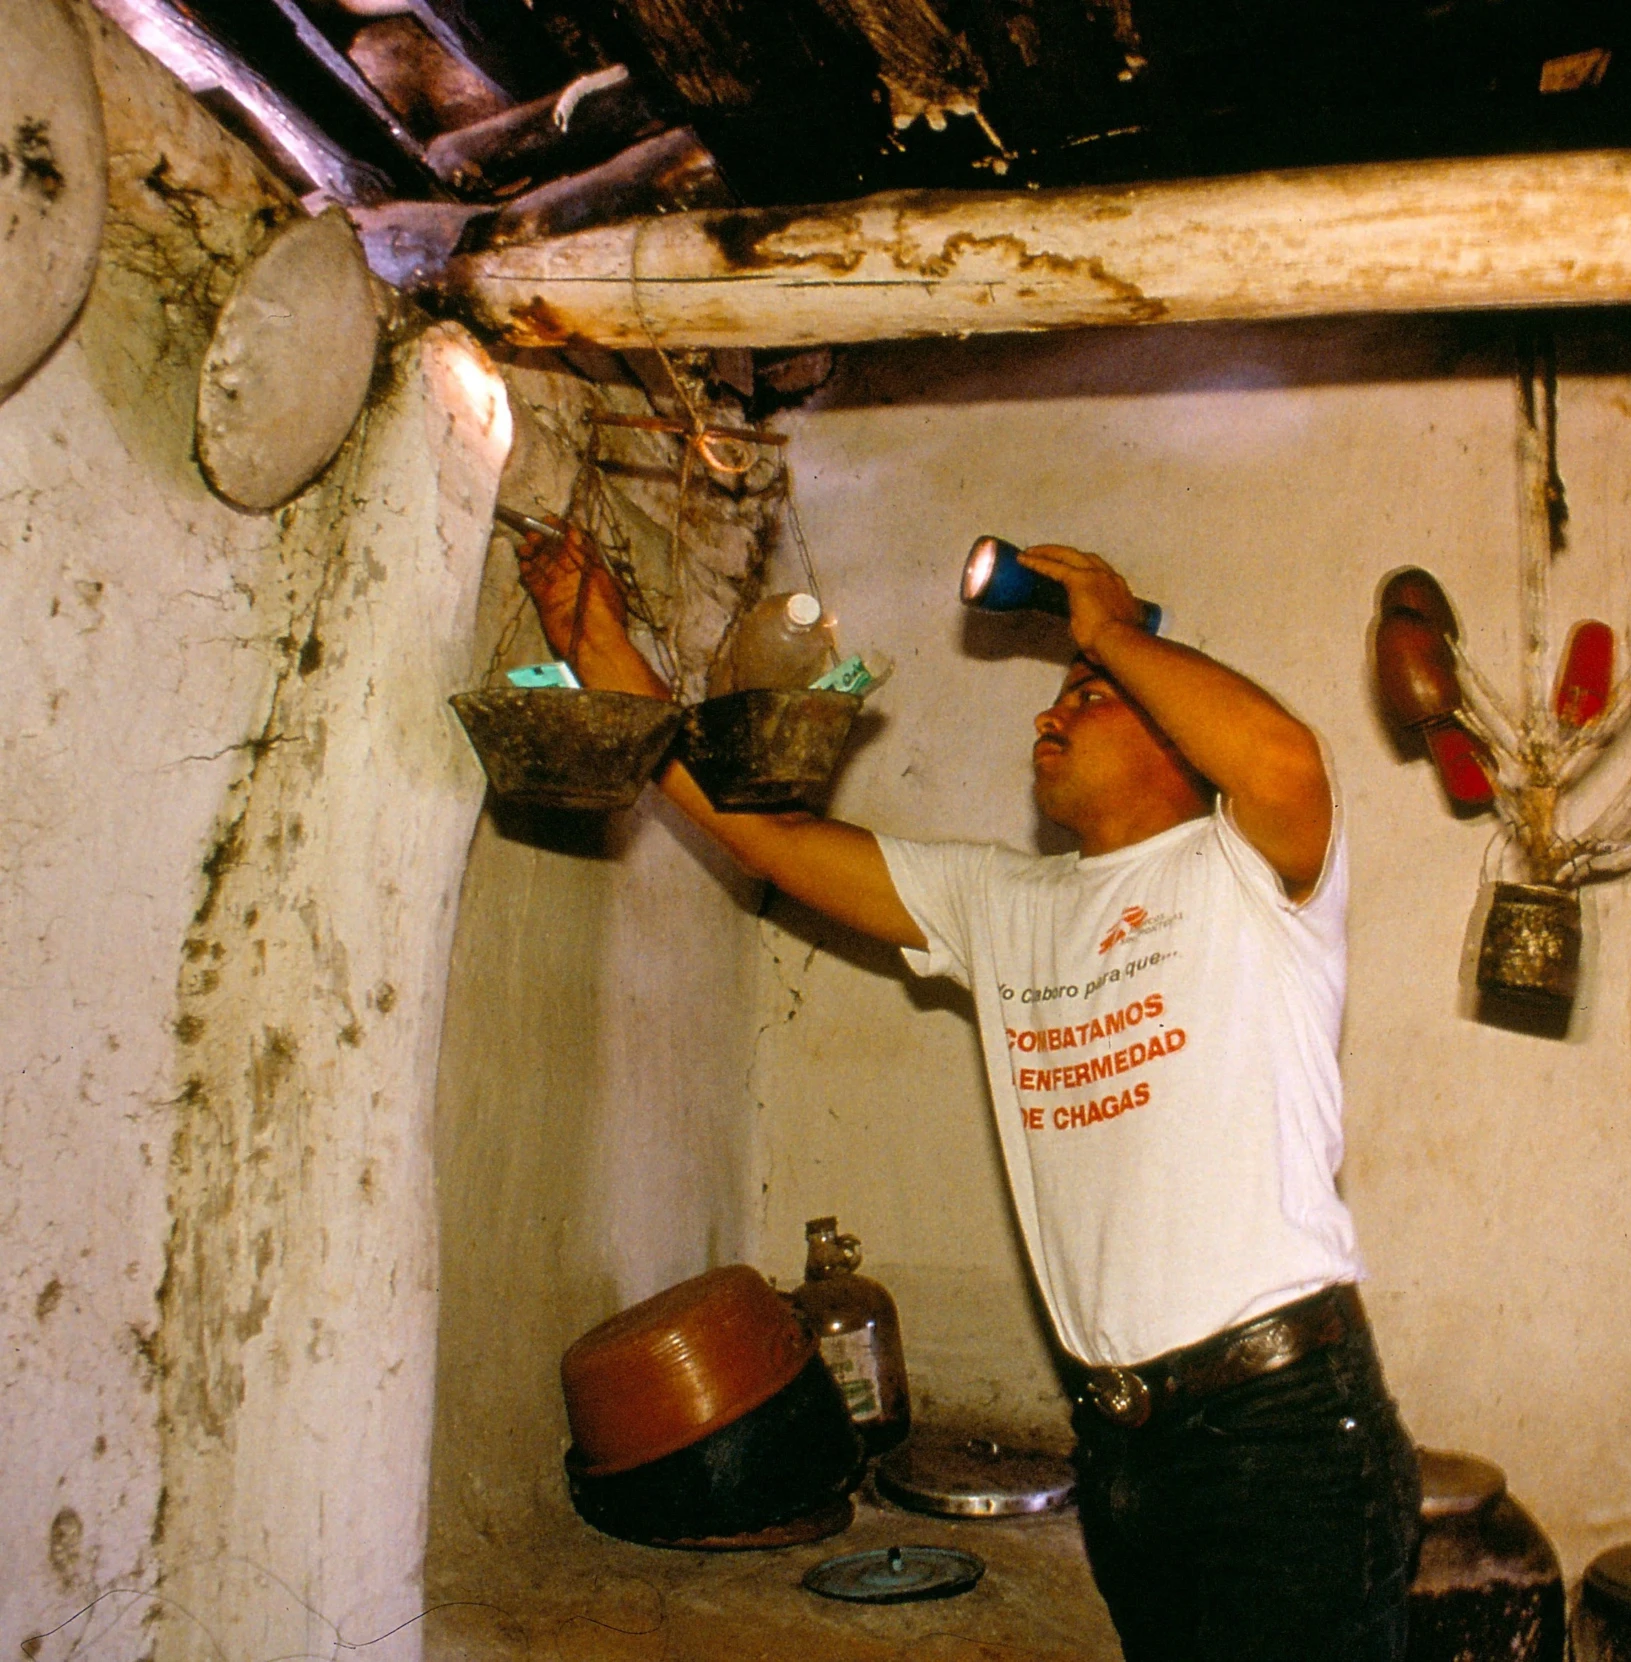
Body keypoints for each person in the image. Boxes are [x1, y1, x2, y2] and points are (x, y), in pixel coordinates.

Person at [517, 527, 1422, 1660]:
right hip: (1125, 1448)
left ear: (1175, 735)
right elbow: (767, 837)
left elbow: (1284, 758)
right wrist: (603, 650)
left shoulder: (1248, 874)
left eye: (1088, 698)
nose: (1046, 716)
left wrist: (1110, 630)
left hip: (1284, 1436)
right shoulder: (1004, 904)